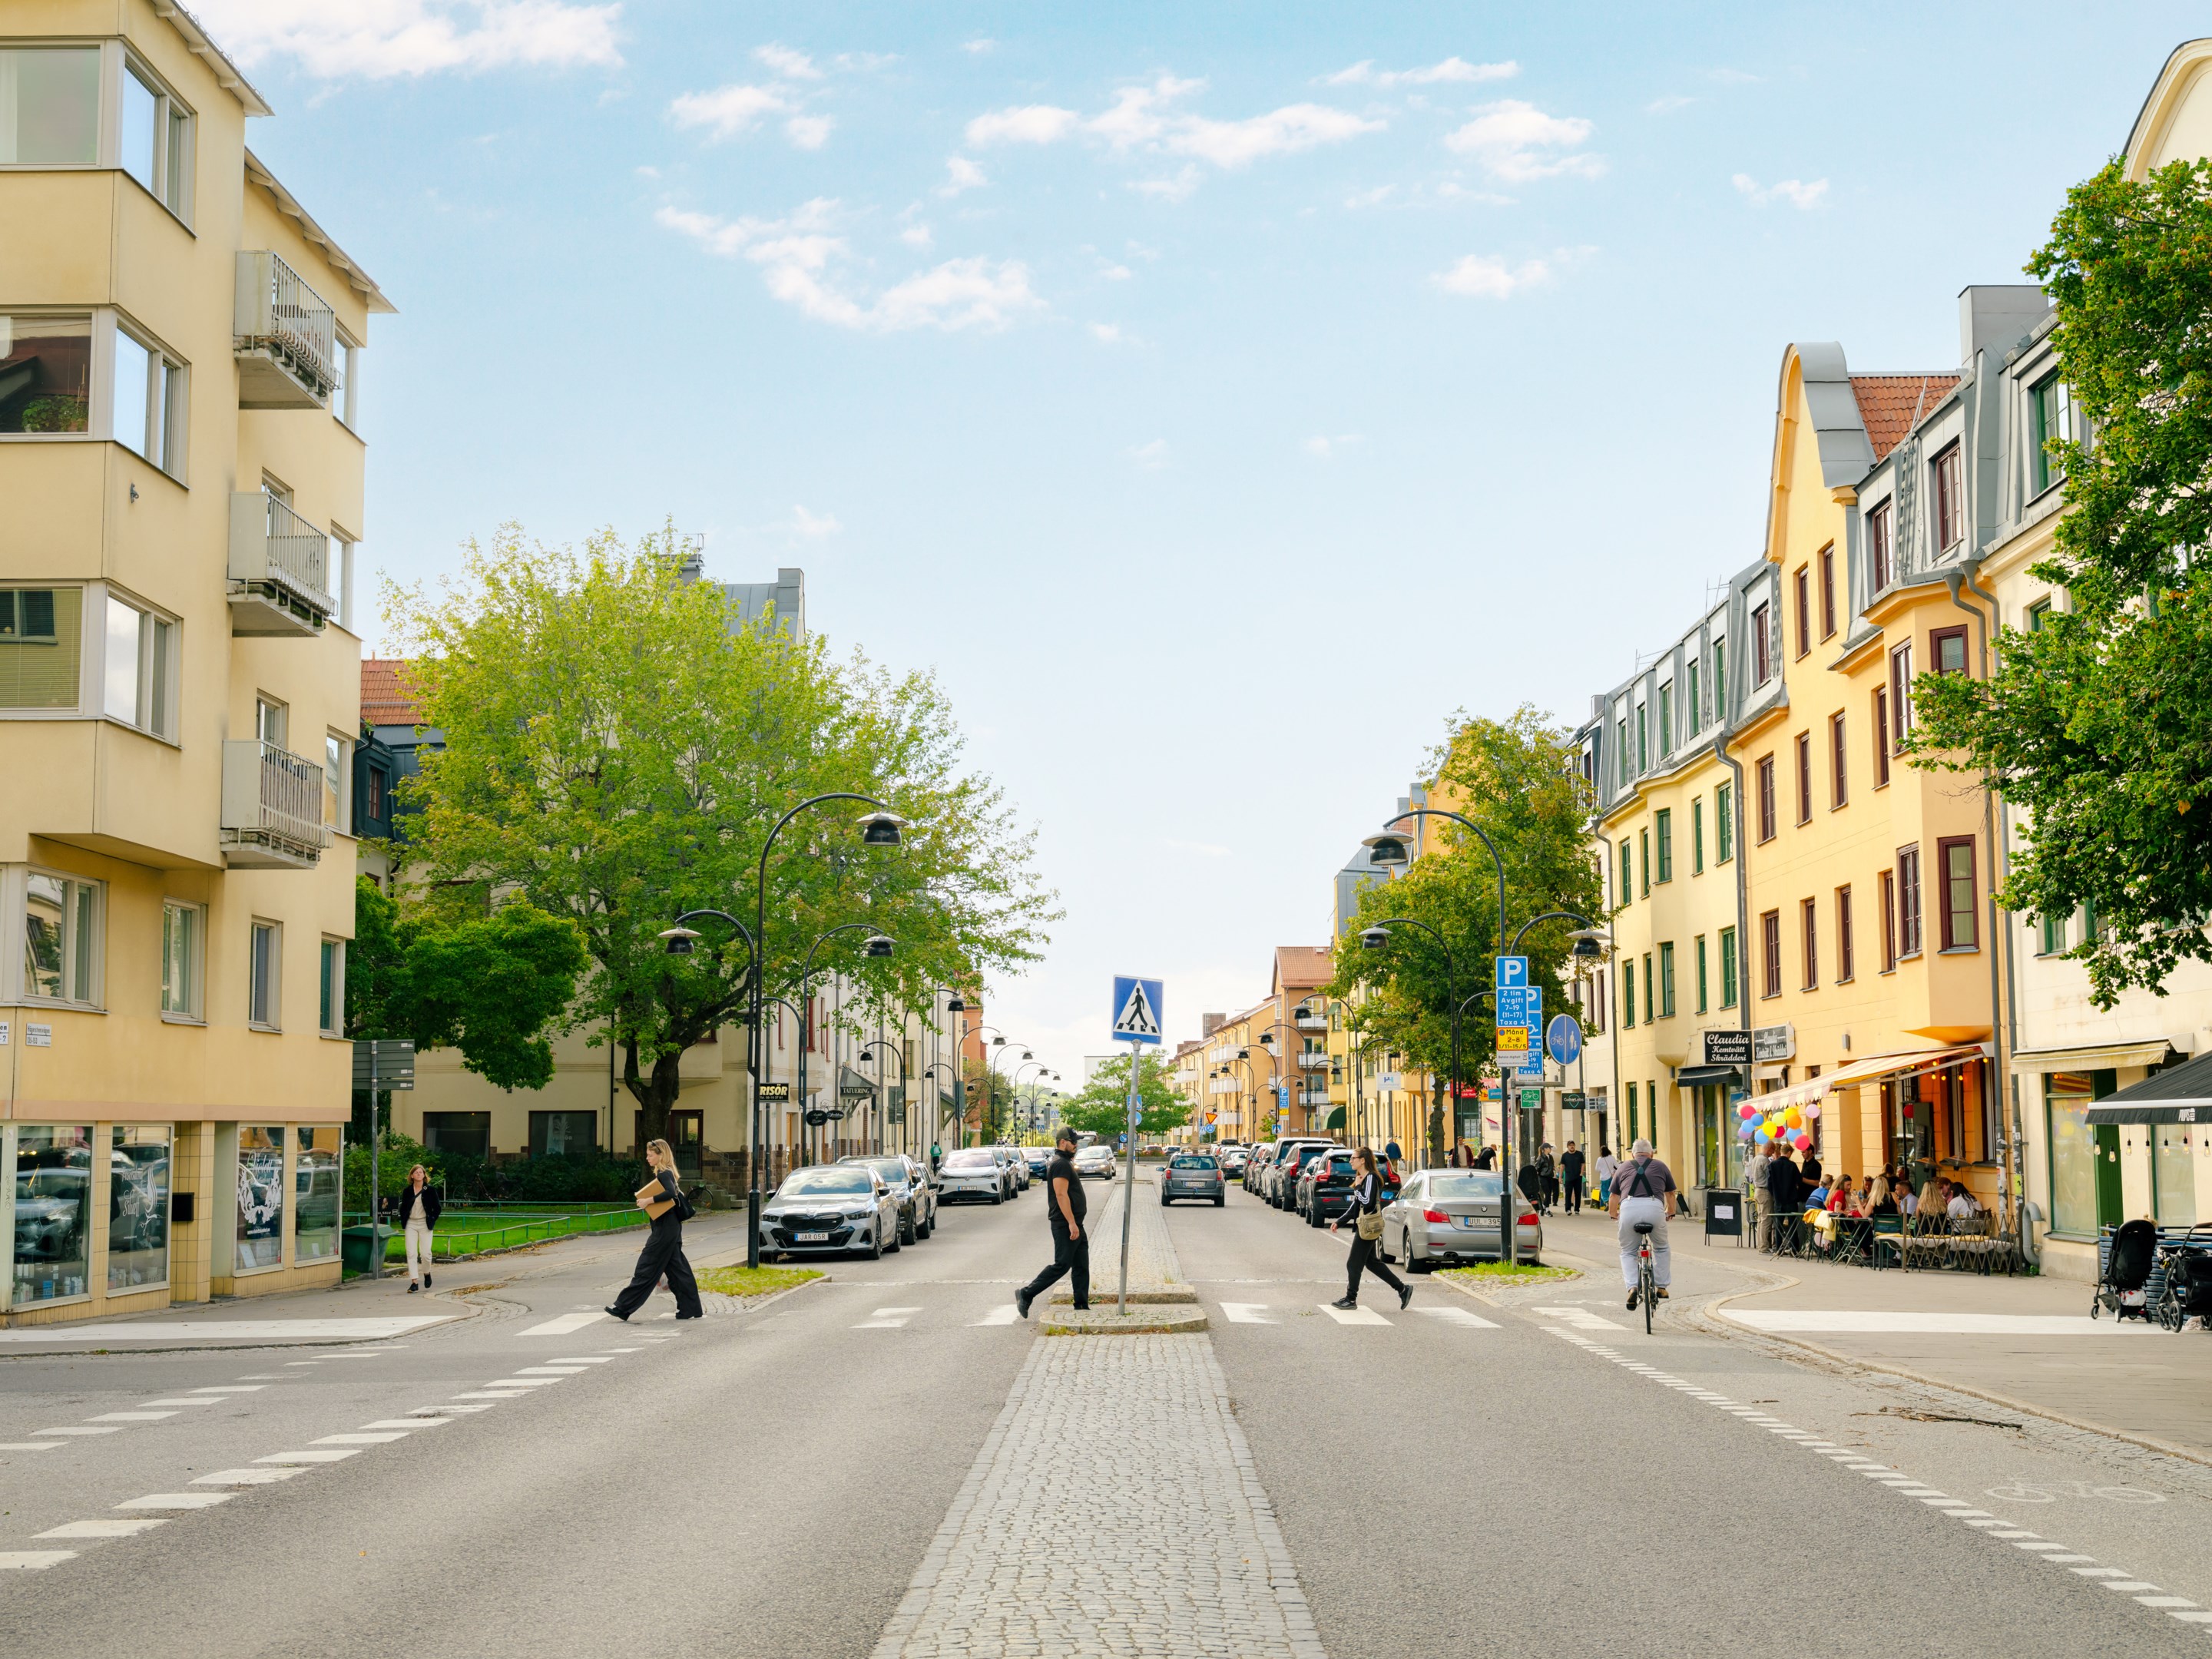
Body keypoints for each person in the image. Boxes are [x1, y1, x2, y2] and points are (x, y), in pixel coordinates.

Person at [607, 1139, 702, 1323]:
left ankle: (623, 1307)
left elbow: (670, 1194)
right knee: (678, 1270)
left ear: (661, 1155)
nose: (647, 1158)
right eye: (648, 1155)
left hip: (665, 1230)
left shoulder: (664, 1174)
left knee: (647, 1266)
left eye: (651, 1155)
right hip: (671, 1228)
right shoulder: (668, 1174)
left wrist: (647, 1201)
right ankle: (691, 1308)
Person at [1016, 1126, 1088, 1318]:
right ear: (1063, 1142)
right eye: (1074, 1142)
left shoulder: (1064, 1162)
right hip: (1064, 1223)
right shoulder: (1060, 1164)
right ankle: (1027, 1293)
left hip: (1074, 1223)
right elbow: (1060, 1194)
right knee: (1062, 1264)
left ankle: (1082, 1305)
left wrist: (1076, 1223)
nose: (1076, 1145)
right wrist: (1071, 1223)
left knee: (1081, 1264)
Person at [1330, 1146, 1412, 1311]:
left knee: (1353, 1264)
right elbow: (1357, 1204)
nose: (1351, 1161)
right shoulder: (1363, 1178)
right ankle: (1402, 1289)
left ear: (1363, 1160)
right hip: (1365, 1226)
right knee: (1372, 1263)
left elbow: (1367, 1202)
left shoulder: (1371, 1179)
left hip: (1368, 1227)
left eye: (1354, 1158)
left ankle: (1350, 1299)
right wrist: (1340, 1221)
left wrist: (1358, 1187)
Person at [1609, 1137, 1676, 1310]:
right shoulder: (1661, 1166)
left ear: (1633, 1154)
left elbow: (1614, 1197)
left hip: (1628, 1209)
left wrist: (1613, 1214)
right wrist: (1670, 1212)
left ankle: (1633, 1287)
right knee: (1661, 1247)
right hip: (1655, 1208)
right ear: (1651, 1153)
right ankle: (1661, 1287)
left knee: (1628, 1252)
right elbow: (1670, 1195)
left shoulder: (1623, 1167)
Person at [396, 1164, 441, 1293]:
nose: (419, 1174)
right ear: (412, 1176)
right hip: (411, 1223)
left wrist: (432, 1218)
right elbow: (403, 1207)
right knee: (411, 1253)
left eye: (421, 1172)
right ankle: (414, 1282)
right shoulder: (407, 1191)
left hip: (425, 1224)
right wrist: (403, 1218)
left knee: (426, 1254)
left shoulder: (430, 1190)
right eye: (416, 1172)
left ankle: (427, 1273)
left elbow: (437, 1208)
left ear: (424, 1175)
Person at [1559, 1141, 1586, 1215]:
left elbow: (1583, 1164)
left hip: (1578, 1177)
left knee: (1578, 1194)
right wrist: (1560, 1177)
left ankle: (1577, 1209)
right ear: (1568, 1147)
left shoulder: (1579, 1154)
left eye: (1573, 1145)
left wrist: (1581, 1173)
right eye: (1570, 1145)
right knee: (1568, 1194)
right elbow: (1562, 1166)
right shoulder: (1565, 1155)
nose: (1572, 1147)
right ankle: (1568, 1209)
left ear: (1575, 1146)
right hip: (1568, 1177)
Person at [1594, 1143, 1619, 1208]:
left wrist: (1602, 1169)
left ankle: (1606, 1202)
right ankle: (1612, 1203)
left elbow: (1597, 1169)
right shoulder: (1612, 1158)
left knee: (1604, 1191)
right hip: (1611, 1177)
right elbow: (1618, 1166)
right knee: (1611, 1191)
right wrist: (1612, 1169)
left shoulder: (1599, 1159)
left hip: (1603, 1178)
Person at [1537, 1143, 1558, 1214]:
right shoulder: (1541, 1158)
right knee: (1547, 1193)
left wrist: (1553, 1168)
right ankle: (1547, 1210)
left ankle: (1543, 1207)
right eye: (1549, 1147)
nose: (1550, 1149)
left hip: (1550, 1177)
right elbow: (1537, 1167)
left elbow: (1552, 1165)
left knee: (1549, 1193)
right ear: (1545, 1149)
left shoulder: (1551, 1157)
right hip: (1543, 1177)